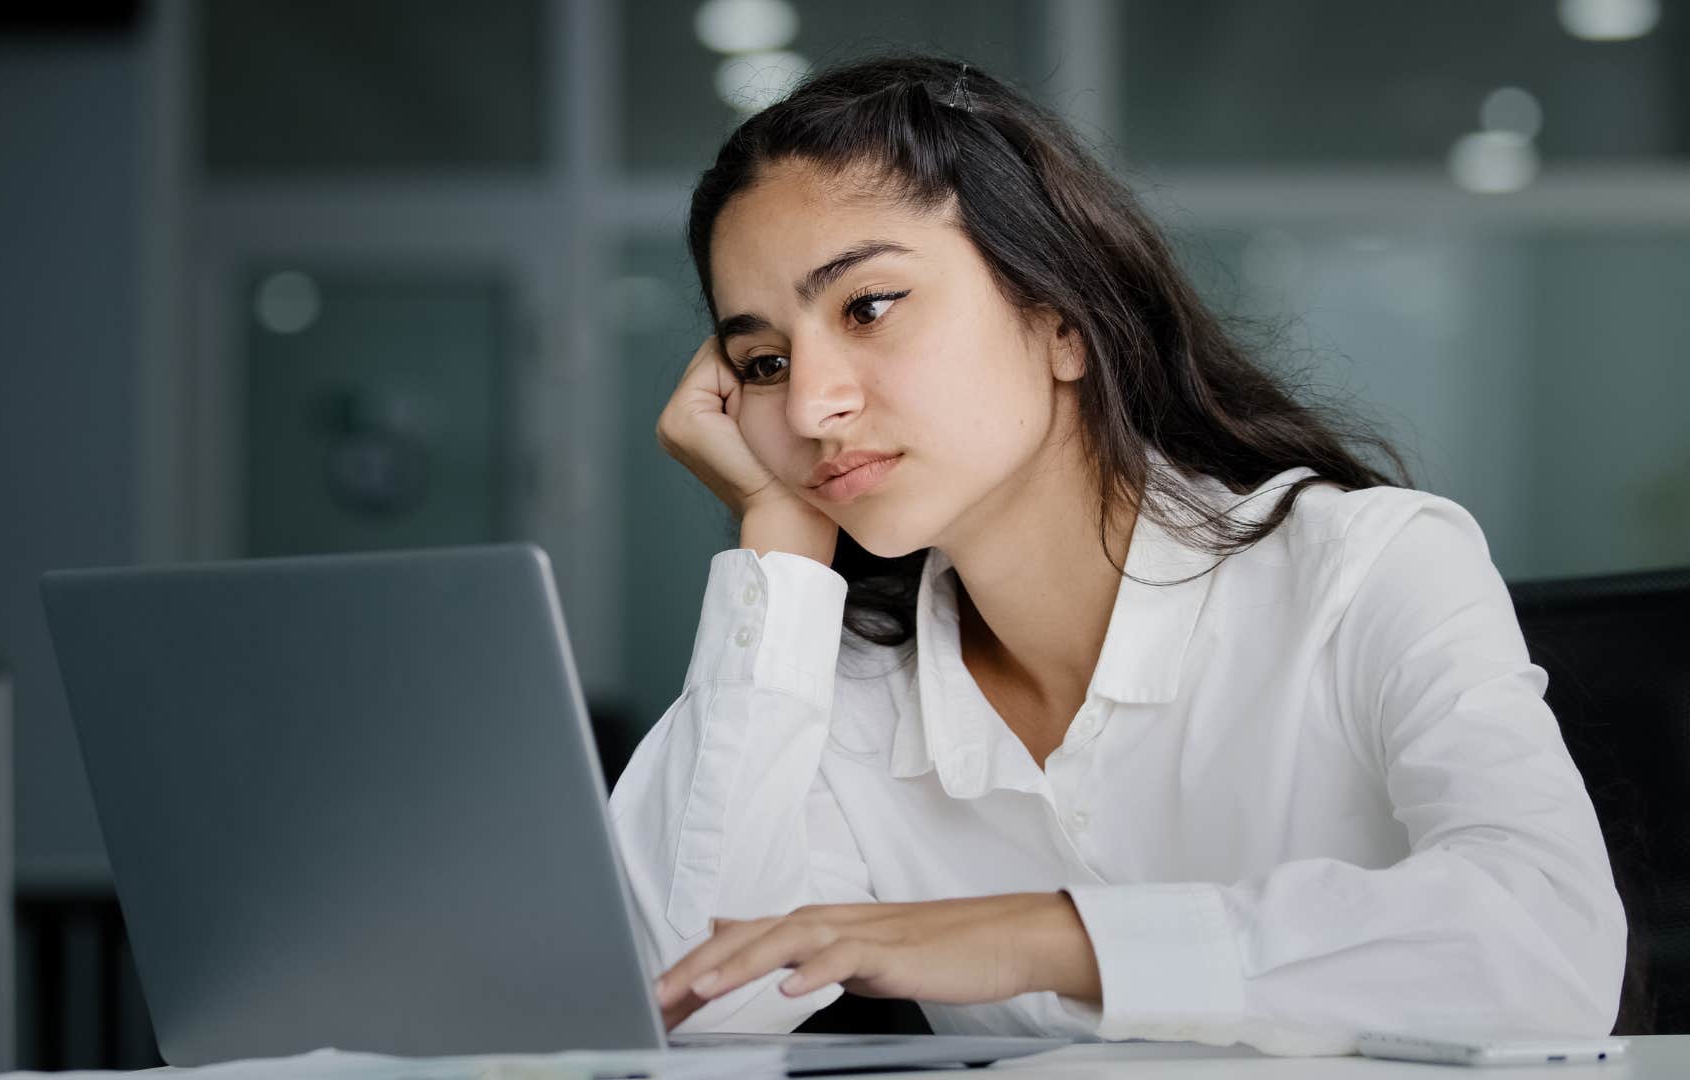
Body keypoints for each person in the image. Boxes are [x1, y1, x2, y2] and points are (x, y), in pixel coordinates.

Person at [606, 54, 1625, 1056]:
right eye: (764, 362)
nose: (813, 402)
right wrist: (780, 538)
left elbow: (1547, 949)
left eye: (868, 307)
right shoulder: (854, 692)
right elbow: (688, 992)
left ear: (1058, 320)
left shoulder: (1369, 569)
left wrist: (1045, 937)